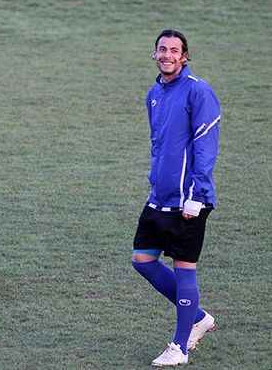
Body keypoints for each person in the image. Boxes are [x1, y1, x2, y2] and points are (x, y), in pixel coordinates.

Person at [132, 29, 221, 367]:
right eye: (162, 49)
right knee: (142, 260)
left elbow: (205, 145)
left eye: (174, 50)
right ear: (154, 54)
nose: (167, 55)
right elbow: (161, 142)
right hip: (160, 195)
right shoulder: (155, 93)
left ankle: (180, 347)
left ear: (185, 56)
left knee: (184, 270)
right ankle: (198, 317)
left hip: (188, 200)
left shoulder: (199, 92)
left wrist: (197, 195)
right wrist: (155, 176)